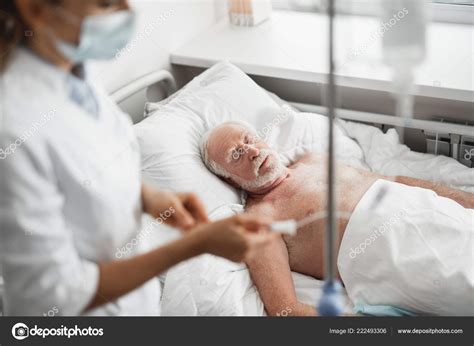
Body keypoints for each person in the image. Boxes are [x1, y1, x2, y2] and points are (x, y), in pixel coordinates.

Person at [0, 0, 275, 316]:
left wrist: (150, 197)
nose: (126, 12)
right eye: (106, 3)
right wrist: (194, 245)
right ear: (35, 9)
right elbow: (53, 296)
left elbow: (99, 161)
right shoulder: (14, 132)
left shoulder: (73, 71)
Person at [200, 121, 474, 316]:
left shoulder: (313, 160)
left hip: (425, 209)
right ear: (229, 178)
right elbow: (286, 310)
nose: (251, 151)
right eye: (236, 155)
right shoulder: (259, 221)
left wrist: (465, 200)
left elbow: (397, 179)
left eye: (248, 139)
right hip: (396, 256)